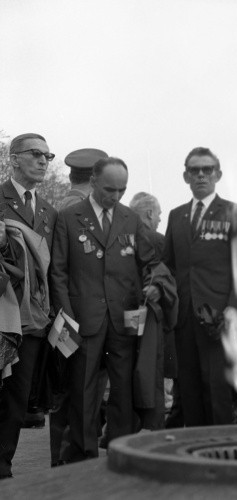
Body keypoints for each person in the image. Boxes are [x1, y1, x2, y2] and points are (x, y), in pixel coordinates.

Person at [50, 156, 164, 462]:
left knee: (123, 389)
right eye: (109, 190)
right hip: (82, 318)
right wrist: (67, 315)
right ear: (94, 182)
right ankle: (83, 454)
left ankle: (119, 448)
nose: (115, 196)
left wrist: (154, 284)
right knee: (83, 390)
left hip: (123, 319)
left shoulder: (131, 219)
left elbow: (149, 262)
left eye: (122, 190)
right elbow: (58, 271)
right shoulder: (69, 217)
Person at [162, 147, 237, 426]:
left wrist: (233, 310)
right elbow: (169, 266)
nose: (201, 175)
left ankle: (223, 456)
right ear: (186, 176)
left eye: (207, 170)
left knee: (218, 391)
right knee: (188, 391)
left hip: (219, 318)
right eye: (195, 170)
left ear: (218, 174)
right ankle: (196, 457)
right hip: (185, 318)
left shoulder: (234, 212)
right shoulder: (176, 216)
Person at [0, 133, 57, 479]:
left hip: (32, 319)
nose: (42, 161)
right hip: (1, 312)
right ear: (14, 159)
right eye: (35, 154)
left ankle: (2, 467)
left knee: (17, 400)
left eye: (47, 156)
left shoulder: (50, 211)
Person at [49, 147, 109, 466]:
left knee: (77, 393)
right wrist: (69, 317)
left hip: (79, 318)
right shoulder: (75, 208)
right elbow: (60, 269)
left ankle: (68, 464)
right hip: (75, 320)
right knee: (75, 394)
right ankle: (68, 467)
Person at [129, 192, 178, 430]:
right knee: (152, 377)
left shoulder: (124, 236)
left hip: (127, 318)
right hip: (153, 320)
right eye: (158, 214)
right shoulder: (157, 241)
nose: (159, 219)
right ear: (149, 213)